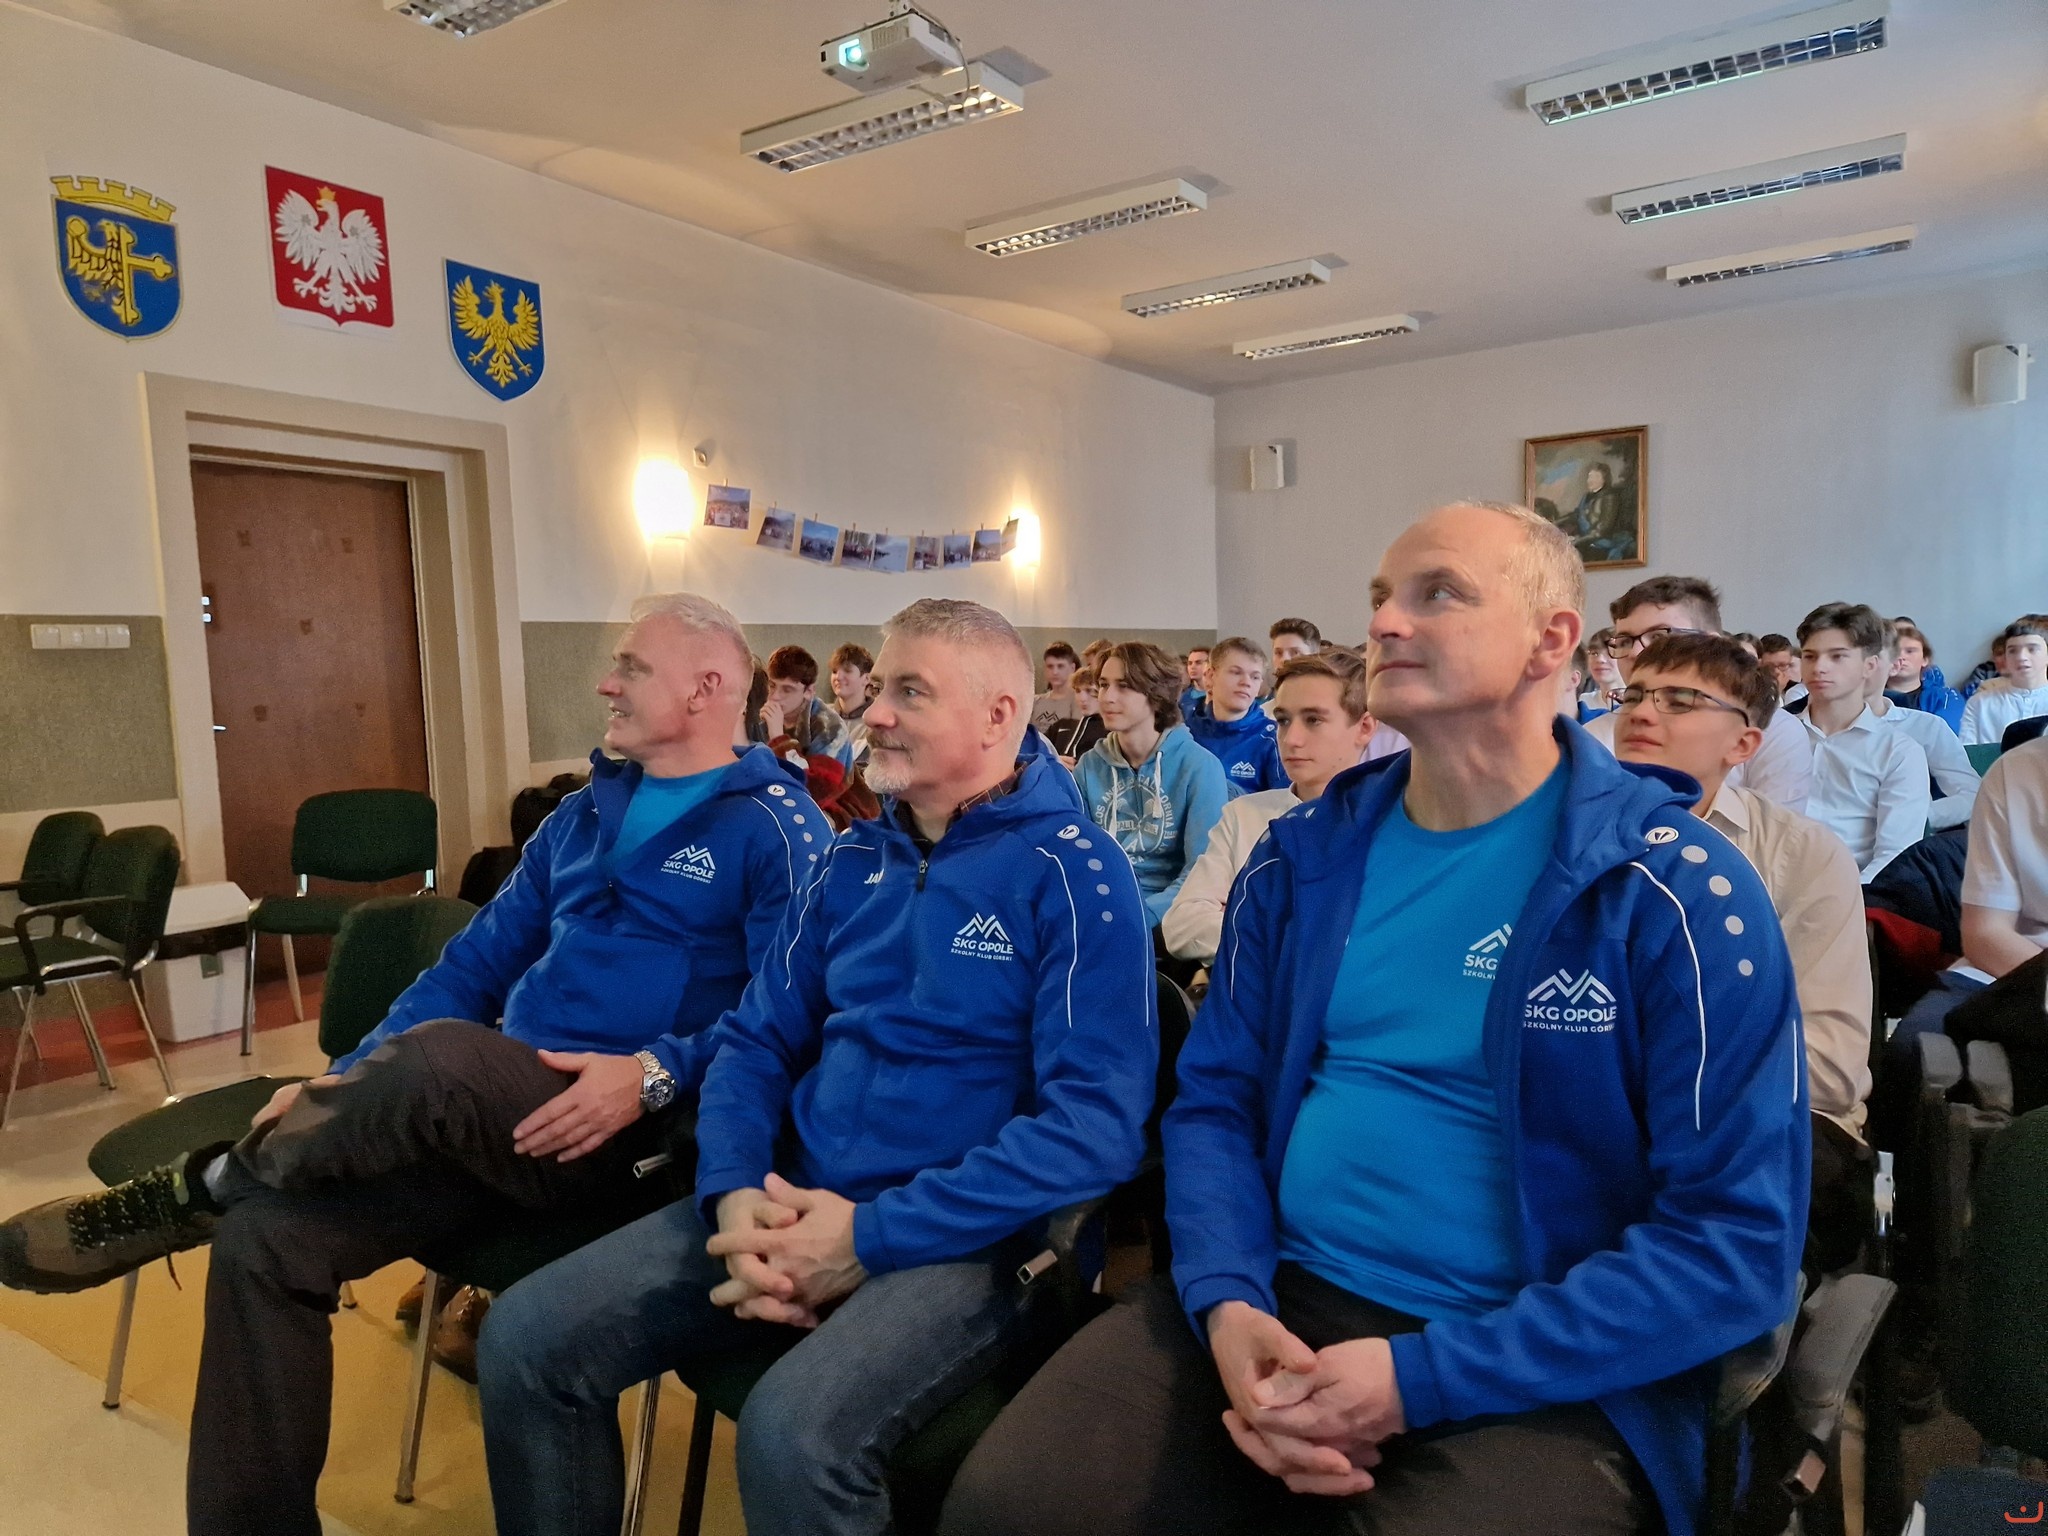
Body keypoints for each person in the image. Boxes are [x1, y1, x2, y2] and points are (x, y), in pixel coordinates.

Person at [944, 502, 1805, 1536]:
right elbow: (1213, 1105)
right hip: (1280, 1290)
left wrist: (1416, 1377)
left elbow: (1732, 1244)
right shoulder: (1300, 859)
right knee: (1010, 1508)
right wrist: (1227, 1302)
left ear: (1551, 641)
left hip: (1544, 1356)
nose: (1387, 621)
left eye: (1438, 595)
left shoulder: (1676, 888)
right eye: (1381, 598)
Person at [0, 594, 824, 1536]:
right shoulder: (583, 815)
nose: (607, 682)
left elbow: (789, 1014)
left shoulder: (782, 830)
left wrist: (654, 1070)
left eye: (631, 667)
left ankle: (208, 1182)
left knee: (442, 1060)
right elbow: (473, 966)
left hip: (626, 1137)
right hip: (493, 1116)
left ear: (707, 688)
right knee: (264, 1243)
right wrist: (342, 1080)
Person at [476, 598, 1158, 1536]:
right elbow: (755, 1041)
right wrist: (734, 1195)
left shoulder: (1076, 874)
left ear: (999, 715)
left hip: (971, 1235)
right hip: (789, 1197)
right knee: (525, 1340)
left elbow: (1094, 1130)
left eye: (910, 691)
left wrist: (866, 1236)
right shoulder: (851, 860)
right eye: (879, 688)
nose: (875, 713)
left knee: (792, 1436)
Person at [1611, 633, 1874, 1276]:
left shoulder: (1802, 855)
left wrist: (1652, 1081)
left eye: (1680, 700)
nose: (1642, 713)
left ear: (1743, 744)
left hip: (1771, 1119)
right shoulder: (1572, 843)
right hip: (1603, 1113)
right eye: (1635, 695)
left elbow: (1829, 1065)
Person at [1162, 650, 1376, 965]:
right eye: (1284, 720)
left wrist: (1241, 917)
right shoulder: (1244, 815)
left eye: (1313, 720)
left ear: (1365, 727)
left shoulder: (1388, 822)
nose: (1291, 739)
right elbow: (1182, 926)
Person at [1584, 577, 1813, 811]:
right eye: (1624, 641)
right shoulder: (1591, 739)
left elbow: (1772, 828)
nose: (1635, 652)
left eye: (1659, 636)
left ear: (1711, 643)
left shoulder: (1775, 731)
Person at [1075, 641, 1232, 929]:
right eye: (1104, 685)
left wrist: (1138, 917)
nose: (1107, 697)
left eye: (1124, 686)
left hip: (1171, 915)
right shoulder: (1090, 765)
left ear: (1156, 695)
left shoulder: (1199, 766)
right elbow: (1079, 857)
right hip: (1102, 909)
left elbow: (1201, 871)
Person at [1796, 603, 1932, 881]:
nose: (1819, 667)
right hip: (1767, 884)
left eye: (1837, 656)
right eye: (1810, 656)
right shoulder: (1775, 735)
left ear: (1869, 666)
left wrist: (1849, 897)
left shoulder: (1899, 752)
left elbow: (1894, 853)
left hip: (1854, 887)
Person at [1867, 630, 1977, 832]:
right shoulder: (1805, 726)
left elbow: (1971, 793)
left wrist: (1915, 817)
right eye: (1811, 656)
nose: (1823, 668)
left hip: (1909, 835)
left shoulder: (1926, 723)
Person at [1187, 636, 1287, 792]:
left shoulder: (1273, 739)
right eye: (1236, 672)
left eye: (1255, 677)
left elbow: (1285, 801)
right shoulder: (1187, 733)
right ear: (1211, 676)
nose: (1246, 682)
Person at [755, 644, 856, 768]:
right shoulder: (759, 717)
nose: (775, 696)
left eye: (787, 690)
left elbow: (818, 779)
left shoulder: (831, 727)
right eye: (772, 686)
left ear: (809, 692)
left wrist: (778, 739)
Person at [1960, 621, 2048, 745]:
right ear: (2005, 658)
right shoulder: (1979, 704)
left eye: (2032, 649)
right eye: (2013, 651)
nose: (2021, 657)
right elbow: (1967, 752)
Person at [1884, 623, 1963, 732]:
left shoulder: (1944, 697)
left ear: (1925, 659)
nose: (1901, 657)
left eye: (1910, 651)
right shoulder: (1866, 694)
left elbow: (1944, 735)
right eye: (1895, 651)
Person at [1044, 664, 1106, 763]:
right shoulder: (1061, 726)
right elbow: (1037, 749)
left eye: (1089, 690)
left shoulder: (1109, 731)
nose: (1082, 698)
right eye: (1077, 691)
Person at [1030, 640, 1082, 732]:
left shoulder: (1080, 701)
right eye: (1050, 666)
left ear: (1072, 668)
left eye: (1060, 666)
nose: (1055, 672)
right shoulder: (1035, 701)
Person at [828, 642, 875, 724]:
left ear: (866, 678)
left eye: (847, 671)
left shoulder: (876, 721)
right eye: (834, 671)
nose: (838, 677)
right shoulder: (820, 717)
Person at [1583, 628, 1625, 711]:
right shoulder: (1583, 703)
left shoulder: (1642, 702)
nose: (1600, 659)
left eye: (1611, 653)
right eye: (1594, 653)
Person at [1757, 634, 1803, 705]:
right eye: (1769, 666)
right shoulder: (1751, 693)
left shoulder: (1800, 691)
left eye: (1782, 665)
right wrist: (1776, 692)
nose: (1776, 671)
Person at [1180, 644, 1212, 723]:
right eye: (1190, 663)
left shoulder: (1218, 696)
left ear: (1210, 665)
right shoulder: (1182, 697)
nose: (1192, 667)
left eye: (1198, 663)